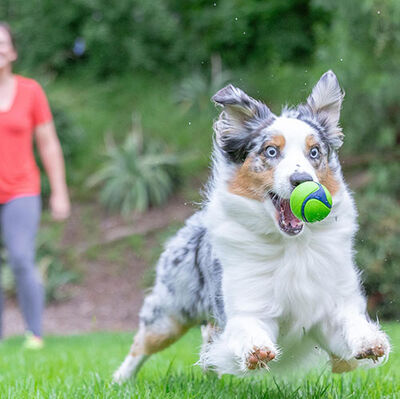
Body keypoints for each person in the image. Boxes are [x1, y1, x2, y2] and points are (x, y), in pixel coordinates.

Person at [0, 22, 70, 348]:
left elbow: (49, 144)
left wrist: (59, 191)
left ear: (12, 51)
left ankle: (35, 333)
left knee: (20, 258)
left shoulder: (30, 91)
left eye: (2, 43)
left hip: (21, 190)